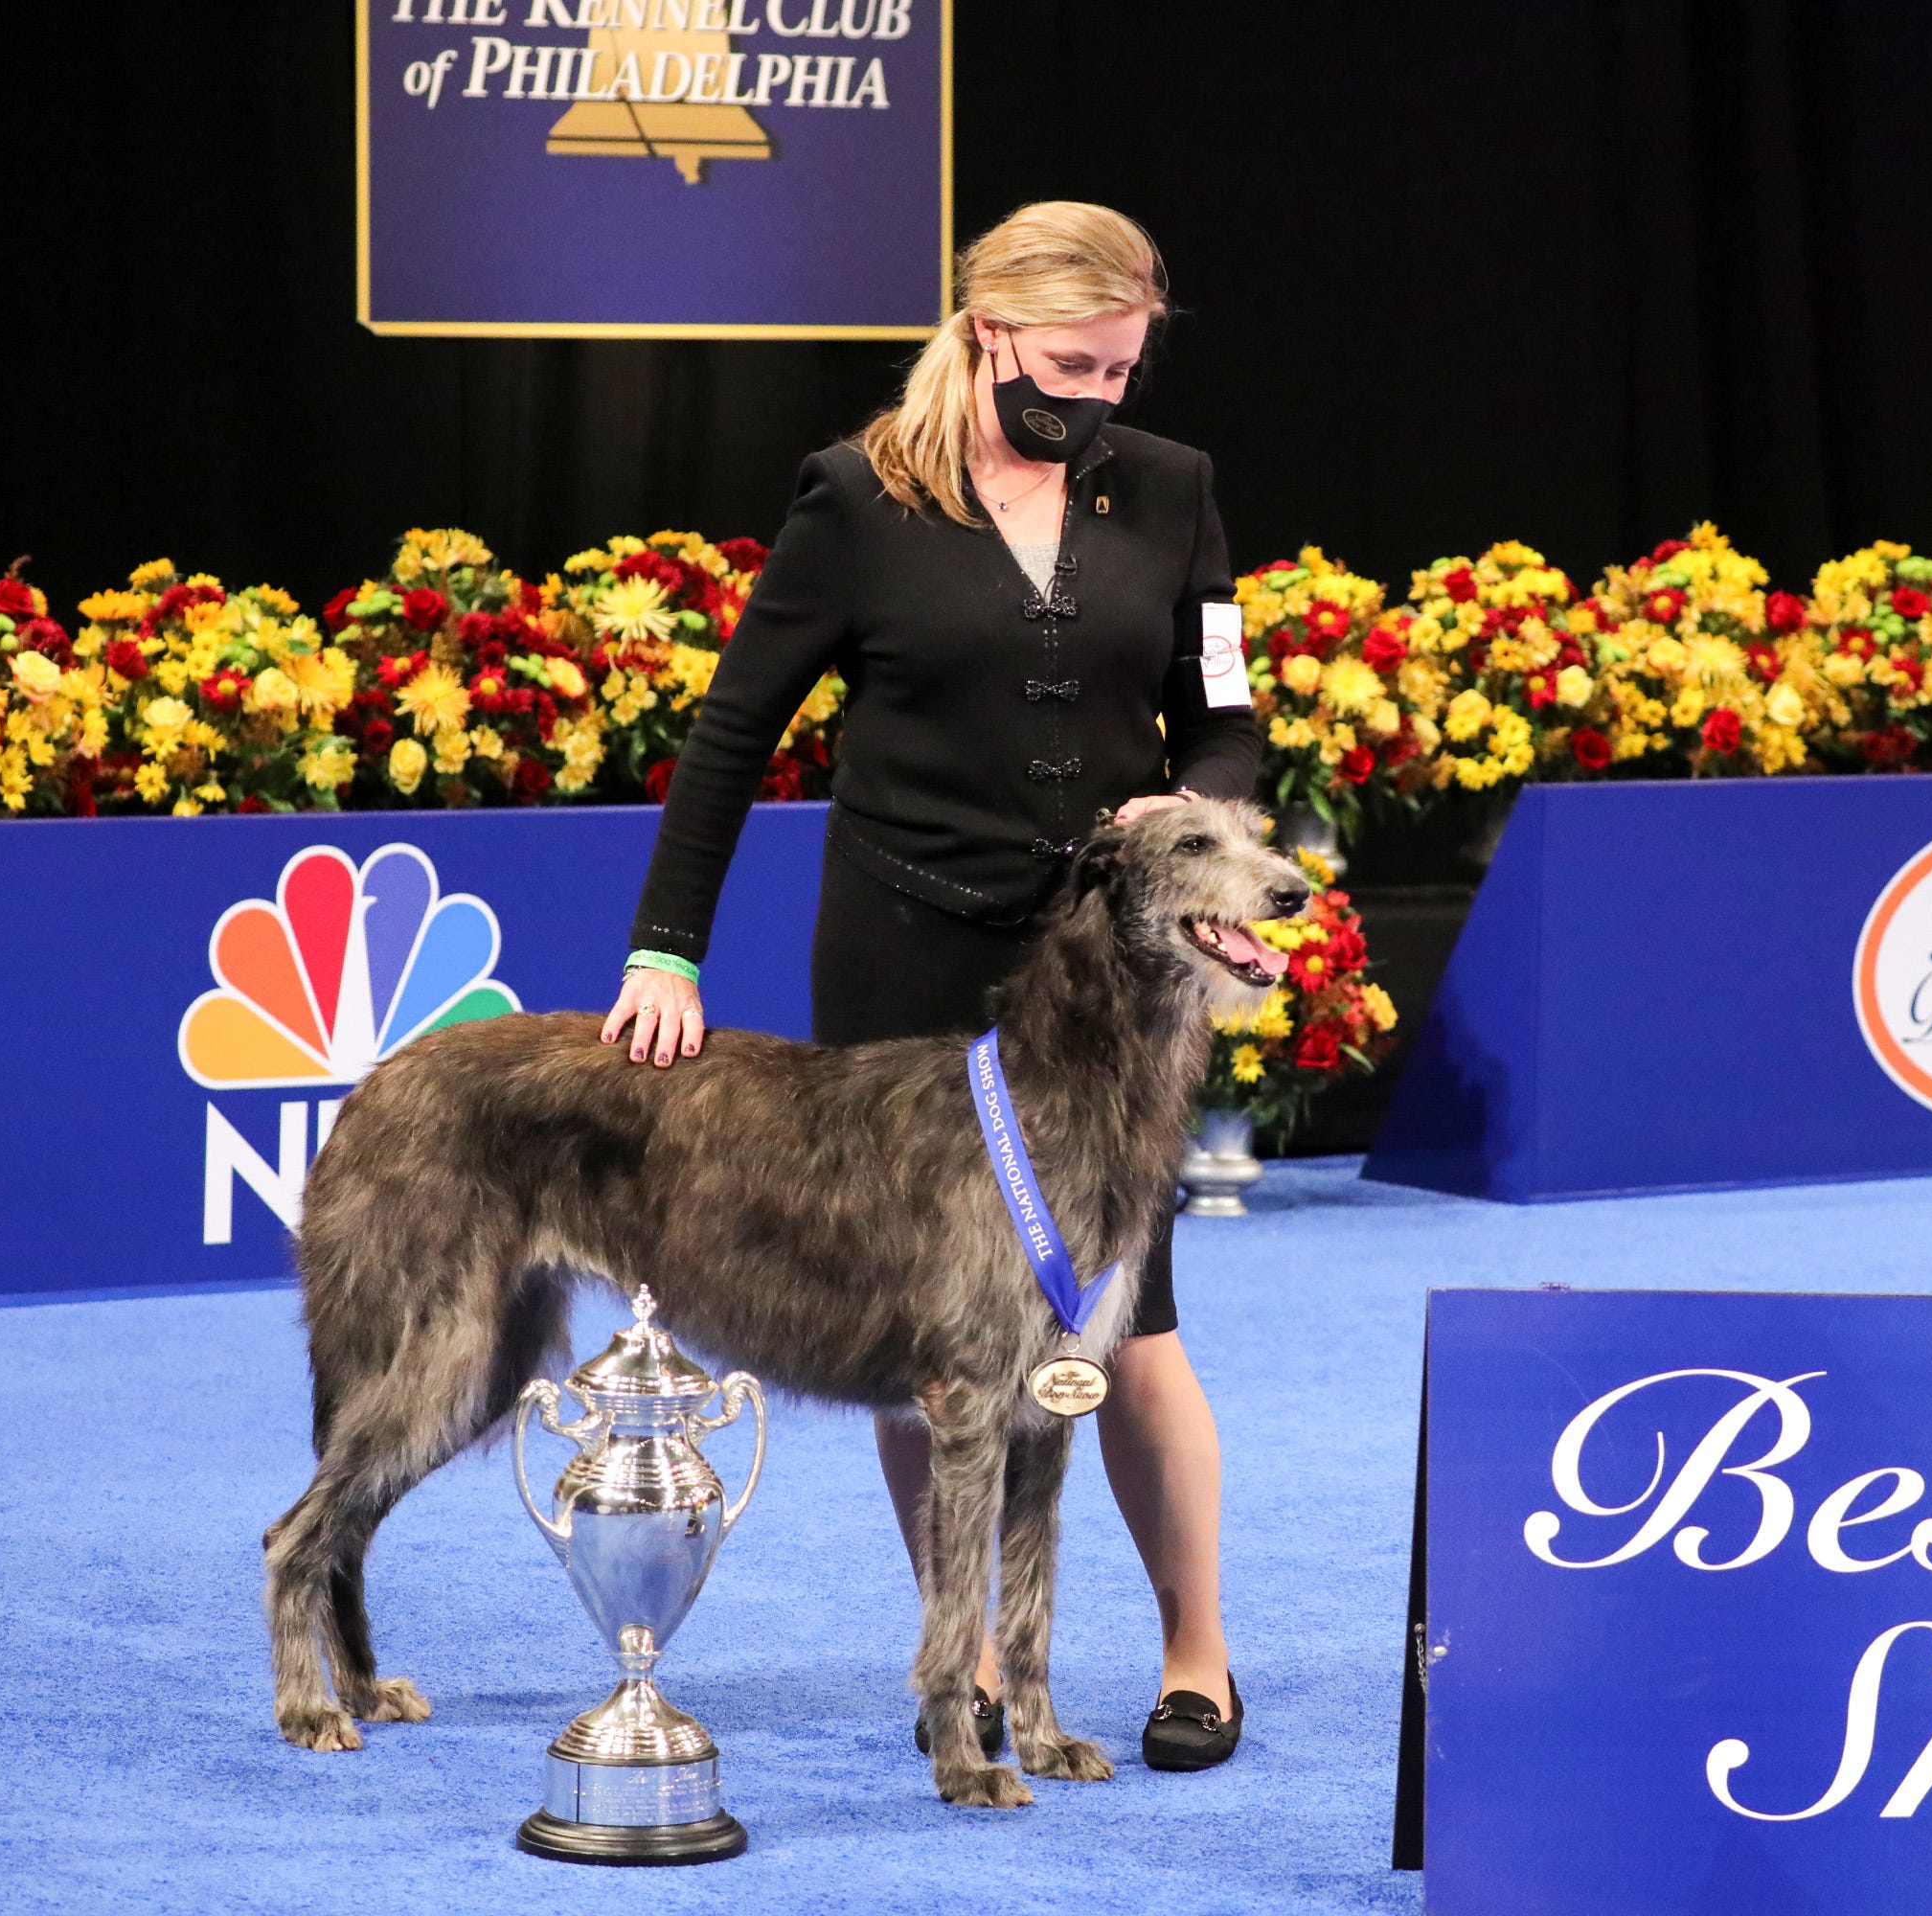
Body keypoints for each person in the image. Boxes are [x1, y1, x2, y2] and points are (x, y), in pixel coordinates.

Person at [601, 201, 1258, 1773]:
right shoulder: (856, 498)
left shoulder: (1172, 491)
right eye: (1072, 364)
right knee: (934, 1332)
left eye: (1123, 370)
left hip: (1103, 982)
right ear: (986, 330)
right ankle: (957, 1660)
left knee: (1132, 1317)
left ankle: (1196, 1658)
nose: (1098, 397)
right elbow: (729, 737)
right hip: (909, 958)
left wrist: (1185, 814)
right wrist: (664, 947)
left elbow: (1225, 720)